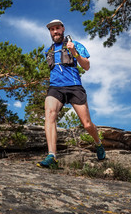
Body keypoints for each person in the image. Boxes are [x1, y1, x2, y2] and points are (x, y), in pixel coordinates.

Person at [37, 19, 106, 168]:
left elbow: (86, 66)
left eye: (57, 28)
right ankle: (52, 155)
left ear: (63, 29)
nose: (55, 31)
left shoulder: (75, 45)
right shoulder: (49, 50)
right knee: (49, 114)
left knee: (87, 124)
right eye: (52, 29)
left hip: (74, 86)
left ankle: (98, 144)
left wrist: (74, 52)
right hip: (56, 88)